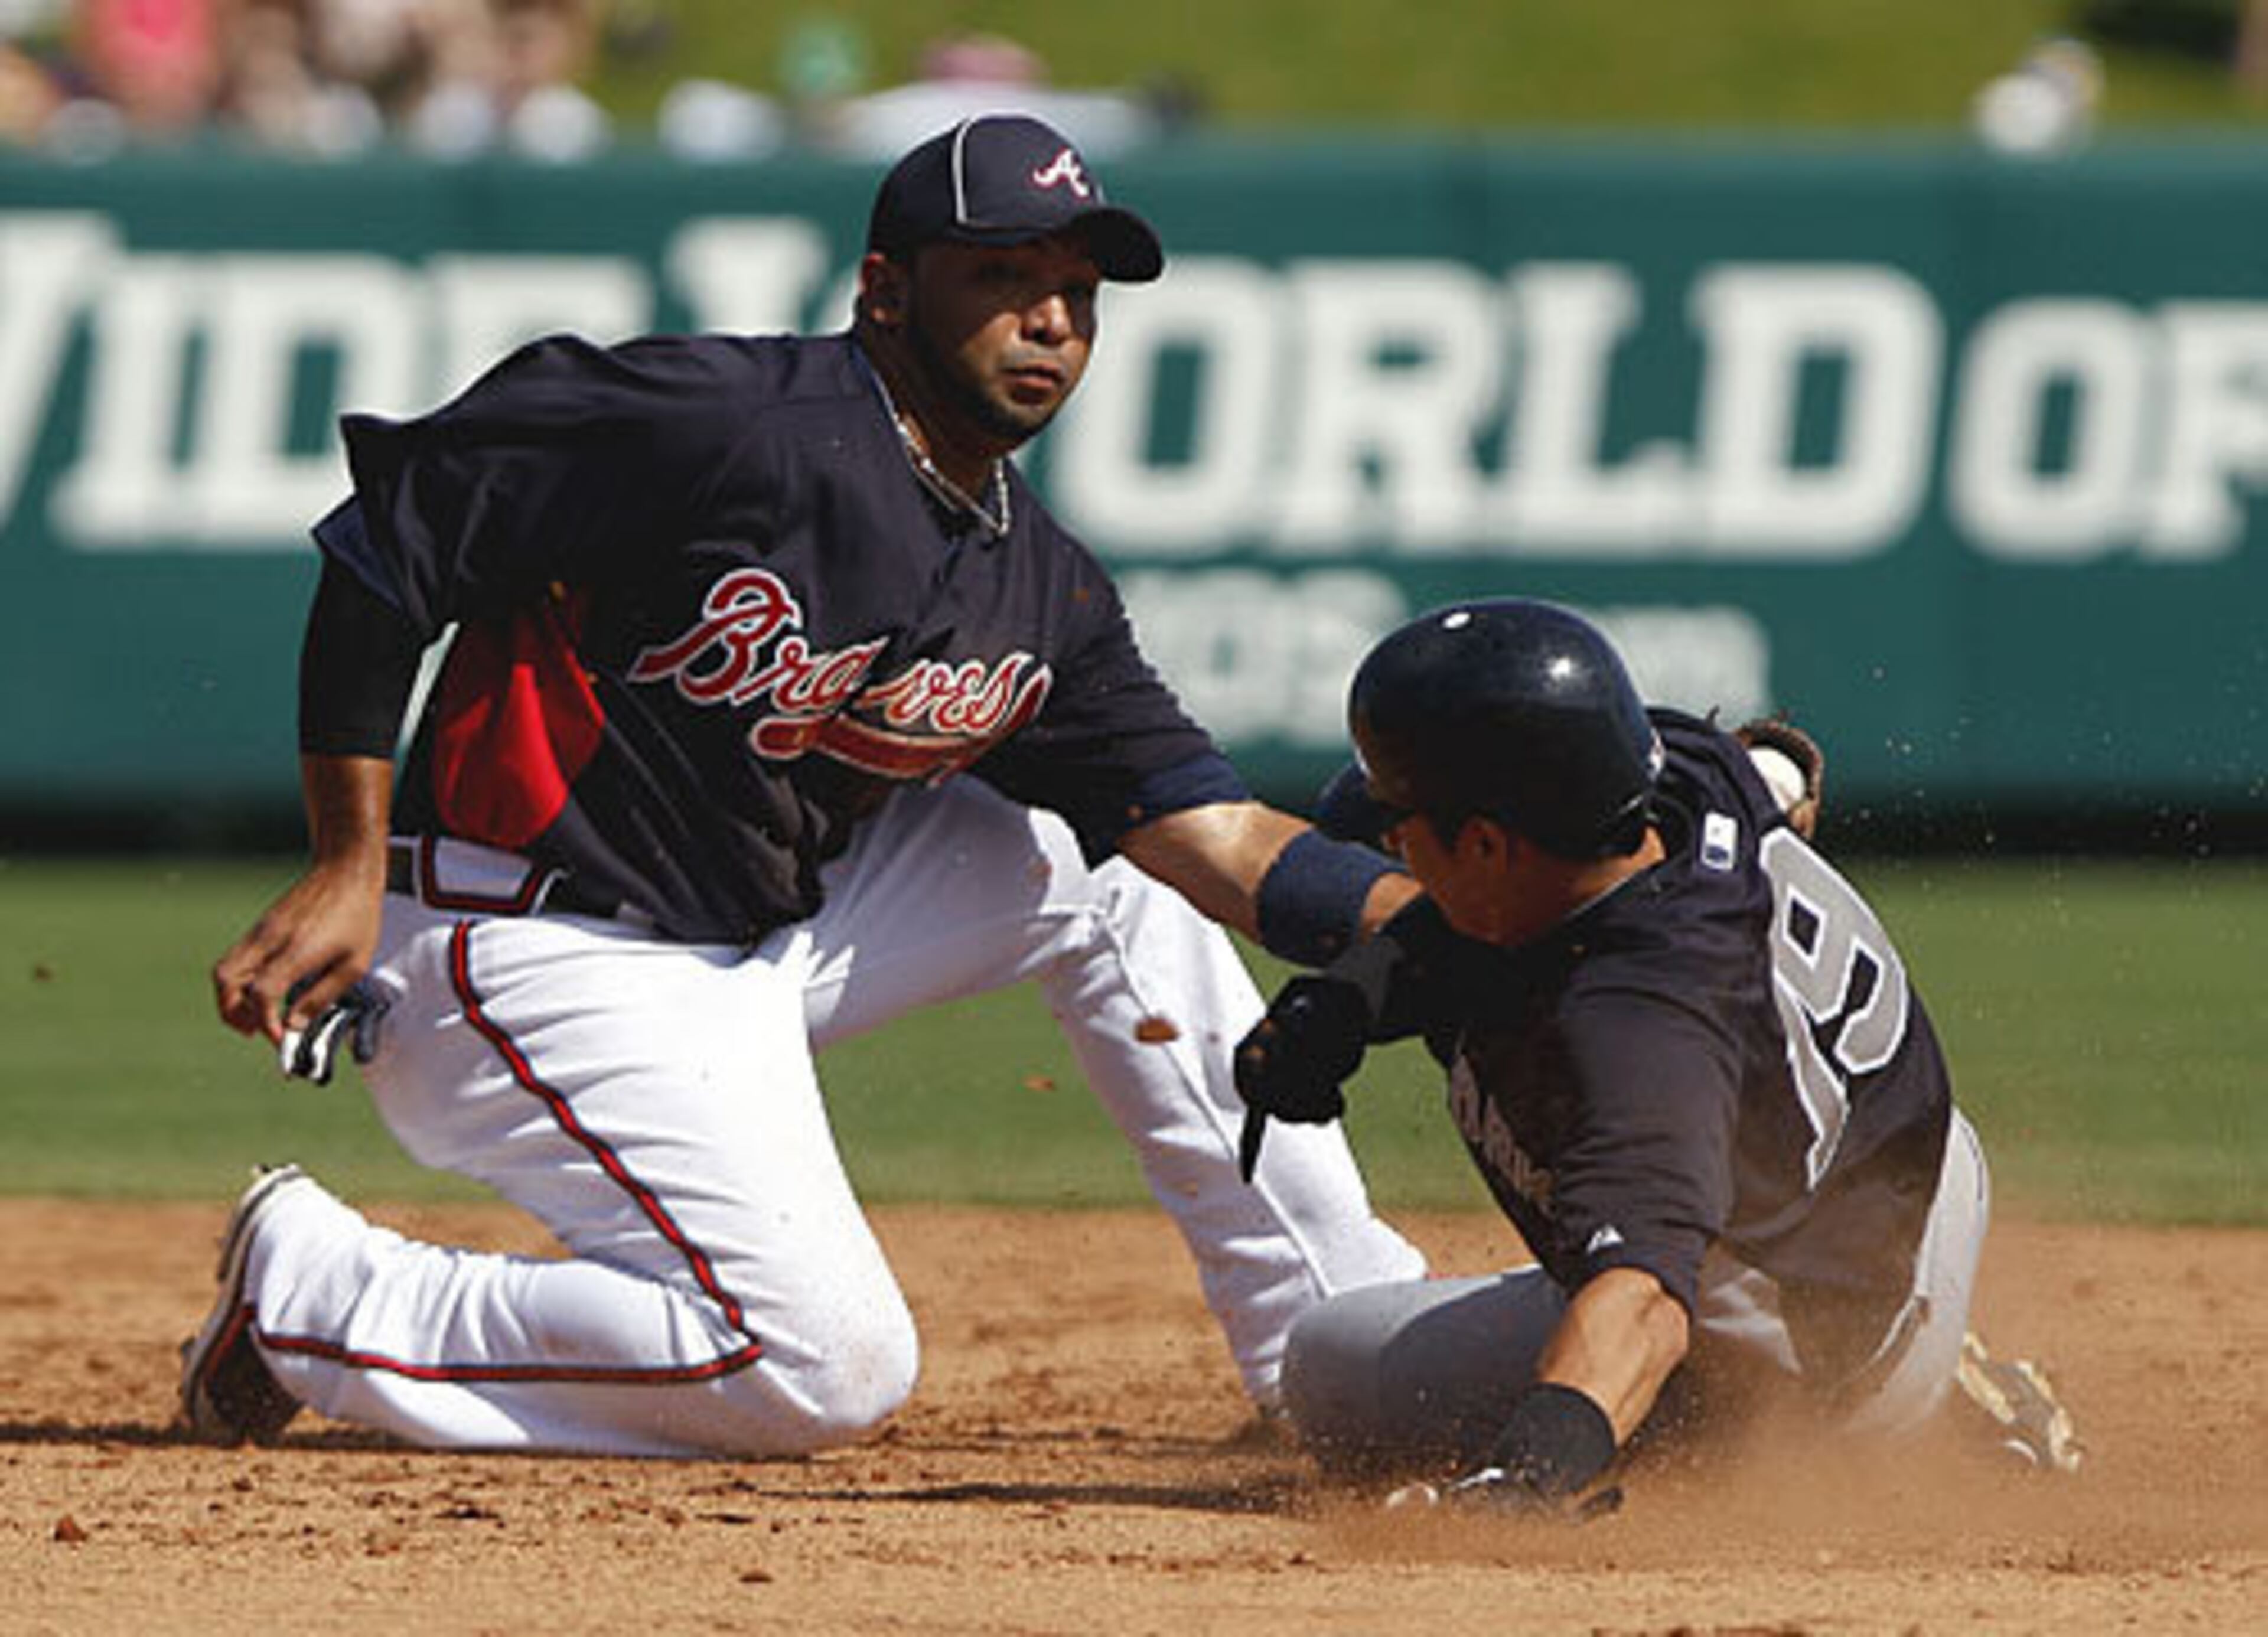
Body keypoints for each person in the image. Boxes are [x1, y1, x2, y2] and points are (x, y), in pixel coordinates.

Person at [182, 112, 1426, 1459]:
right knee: (821, 1366)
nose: (1051, 321)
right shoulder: (726, 423)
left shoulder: (1040, 584)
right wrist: (346, 858)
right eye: (1003, 277)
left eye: (1075, 289)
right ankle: (312, 1292)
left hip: (755, 938)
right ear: (885, 289)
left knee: (1116, 870)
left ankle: (1341, 1354)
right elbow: (396, 535)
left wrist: (1458, 927)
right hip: (525, 937)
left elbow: (1220, 837)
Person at [1231, 598, 2080, 1512]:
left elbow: (1641, 1304)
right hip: (1902, 1178)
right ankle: (1922, 1355)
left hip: (1808, 1368)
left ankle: (1934, 1406)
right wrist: (1355, 996)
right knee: (1638, 1206)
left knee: (1333, 1374)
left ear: (1484, 841)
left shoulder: (1638, 1042)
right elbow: (1775, 771)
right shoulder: (1680, 779)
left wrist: (1530, 1475)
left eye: (1403, 830)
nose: (1391, 846)